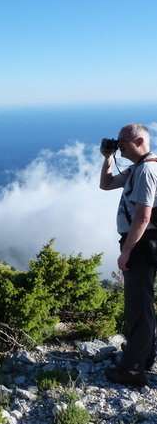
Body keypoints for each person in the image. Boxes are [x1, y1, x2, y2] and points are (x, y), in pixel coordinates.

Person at [100, 123, 157, 387]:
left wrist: (127, 251)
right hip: (145, 242)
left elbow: (143, 216)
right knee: (143, 304)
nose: (118, 143)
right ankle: (143, 357)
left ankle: (132, 370)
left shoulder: (146, 170)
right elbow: (107, 184)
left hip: (143, 243)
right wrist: (108, 158)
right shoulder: (138, 167)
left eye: (122, 141)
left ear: (138, 141)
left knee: (138, 305)